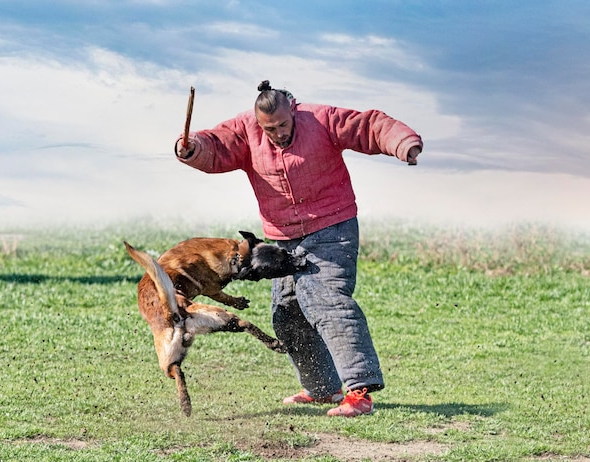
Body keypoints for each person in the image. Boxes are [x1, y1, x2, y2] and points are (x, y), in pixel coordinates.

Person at [174, 80, 423, 417]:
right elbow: (215, 146)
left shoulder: (320, 119)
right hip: (283, 237)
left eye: (282, 125)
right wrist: (192, 148)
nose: (277, 133)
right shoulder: (246, 129)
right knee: (287, 313)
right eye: (269, 128)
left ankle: (359, 392)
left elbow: (368, 125)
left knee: (326, 301)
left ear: (292, 110)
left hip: (332, 228)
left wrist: (403, 142)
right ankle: (322, 389)